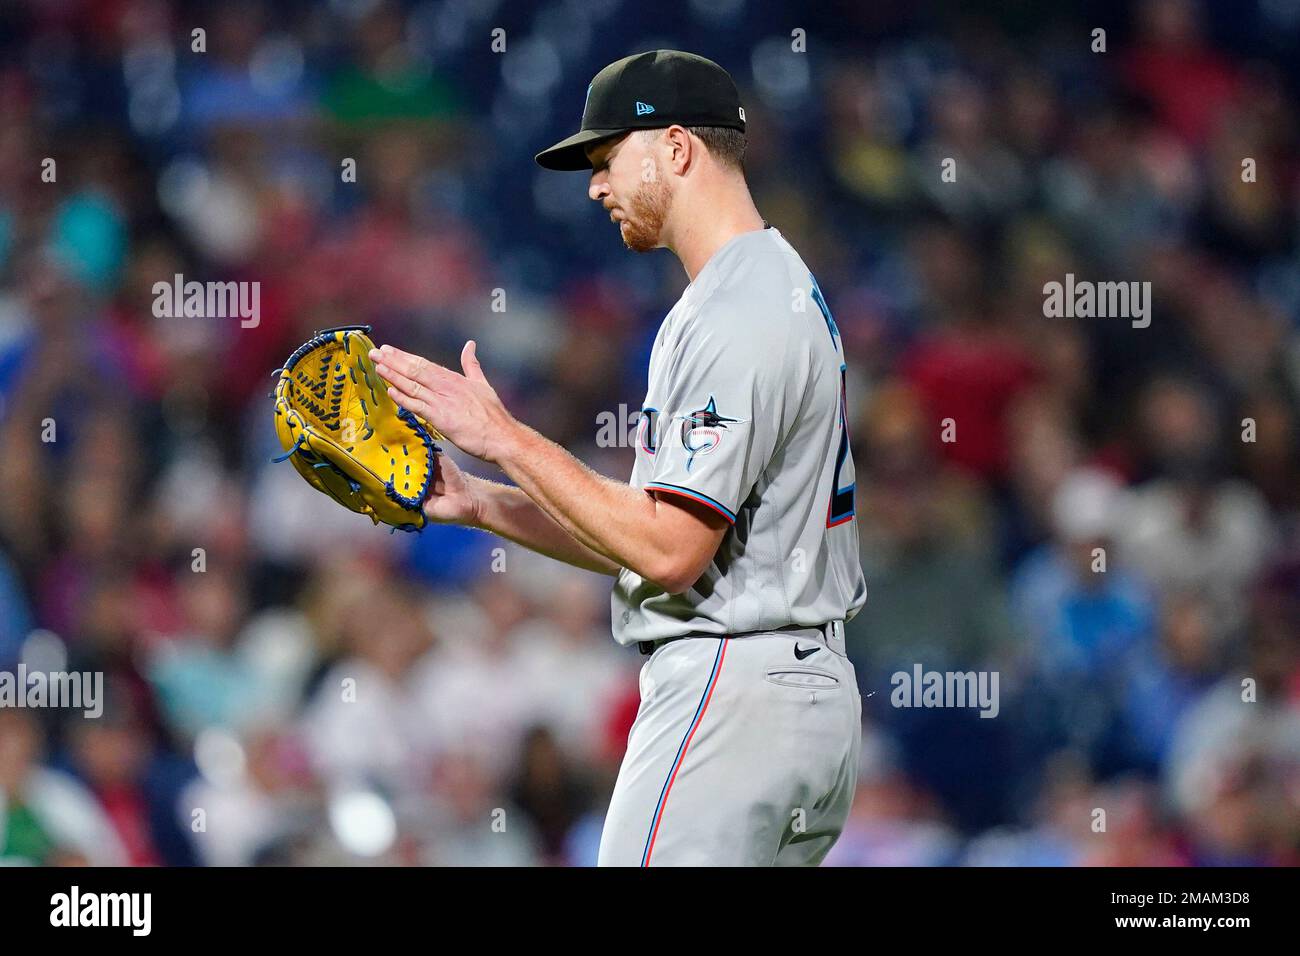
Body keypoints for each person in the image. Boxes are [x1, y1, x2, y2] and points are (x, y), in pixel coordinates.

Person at [369, 50, 866, 866]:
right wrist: (484, 499)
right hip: (795, 694)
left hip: (730, 690)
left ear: (676, 149)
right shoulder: (766, 288)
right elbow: (643, 533)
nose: (596, 186)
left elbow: (670, 552)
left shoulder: (738, 309)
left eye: (607, 160)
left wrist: (503, 435)